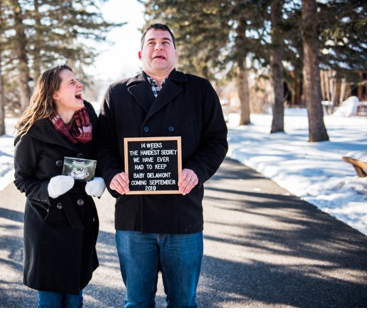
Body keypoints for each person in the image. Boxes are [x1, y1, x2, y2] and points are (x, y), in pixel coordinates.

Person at [96, 23, 228, 307]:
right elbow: (102, 145)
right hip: (133, 217)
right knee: (137, 303)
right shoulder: (117, 93)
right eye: (152, 42)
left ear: (176, 52)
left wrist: (196, 170)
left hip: (183, 214)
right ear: (141, 52)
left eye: (165, 42)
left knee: (183, 303)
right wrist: (111, 173)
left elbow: (217, 141)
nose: (159, 47)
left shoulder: (200, 90)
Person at [13, 65, 107, 308]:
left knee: (75, 297)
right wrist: (49, 189)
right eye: (71, 82)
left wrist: (101, 179)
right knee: (51, 301)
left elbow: (101, 155)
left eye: (78, 81)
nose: (79, 86)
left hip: (79, 222)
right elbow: (22, 180)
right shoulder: (32, 131)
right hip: (47, 226)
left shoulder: (88, 120)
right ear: (54, 93)